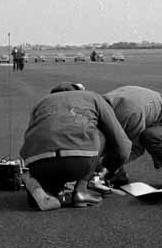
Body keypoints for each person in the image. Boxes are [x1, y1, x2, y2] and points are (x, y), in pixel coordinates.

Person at [20, 82, 132, 210]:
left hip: (38, 162)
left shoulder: (41, 102)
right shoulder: (93, 97)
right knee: (100, 133)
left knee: (51, 179)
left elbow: (30, 135)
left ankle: (41, 188)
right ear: (78, 90)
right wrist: (108, 170)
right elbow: (122, 144)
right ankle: (81, 191)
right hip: (77, 161)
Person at [102, 85, 162, 187]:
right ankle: (118, 175)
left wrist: (104, 165)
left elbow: (135, 148)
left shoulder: (129, 113)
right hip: (144, 116)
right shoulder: (103, 103)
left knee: (149, 136)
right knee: (114, 142)